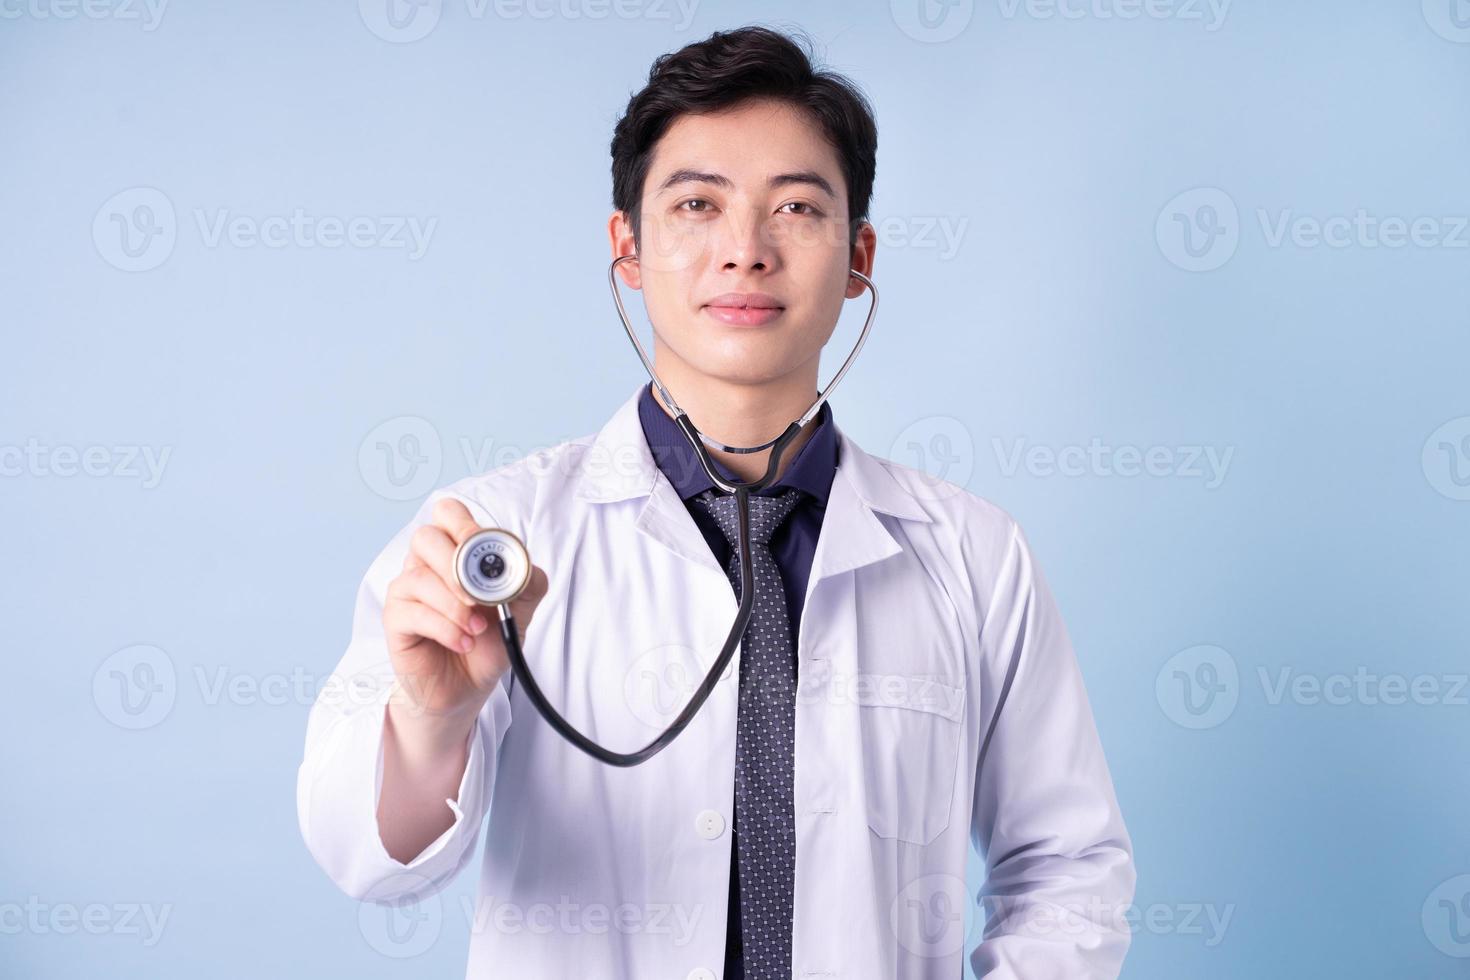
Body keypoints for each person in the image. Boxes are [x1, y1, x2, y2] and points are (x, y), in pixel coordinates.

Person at [296, 25, 1136, 980]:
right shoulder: (491, 540)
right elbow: (368, 861)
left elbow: (1070, 867)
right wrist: (434, 722)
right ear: (628, 247)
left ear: (860, 256)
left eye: (797, 209)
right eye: (697, 204)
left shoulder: (974, 557)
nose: (745, 251)